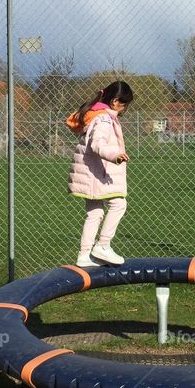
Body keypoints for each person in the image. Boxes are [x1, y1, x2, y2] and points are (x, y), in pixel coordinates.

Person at [67, 80, 133, 267]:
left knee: (94, 213)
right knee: (119, 204)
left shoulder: (95, 115)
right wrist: (115, 155)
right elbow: (98, 144)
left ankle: (84, 255)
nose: (124, 108)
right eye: (124, 104)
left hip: (90, 173)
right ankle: (103, 245)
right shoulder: (103, 119)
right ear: (115, 101)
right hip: (97, 174)